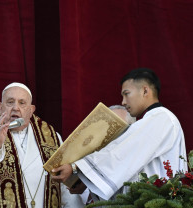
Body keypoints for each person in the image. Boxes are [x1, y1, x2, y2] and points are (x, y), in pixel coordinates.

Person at [52, 68, 187, 200]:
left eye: (126, 94)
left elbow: (120, 153)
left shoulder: (160, 118)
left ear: (145, 90)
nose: (123, 102)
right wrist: (87, 180)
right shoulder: (155, 120)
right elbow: (129, 164)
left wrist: (76, 167)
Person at [0, 82, 85, 208]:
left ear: (31, 110)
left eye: (22, 103)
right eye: (10, 102)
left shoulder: (53, 137)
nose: (16, 107)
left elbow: (62, 184)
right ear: (0, 107)